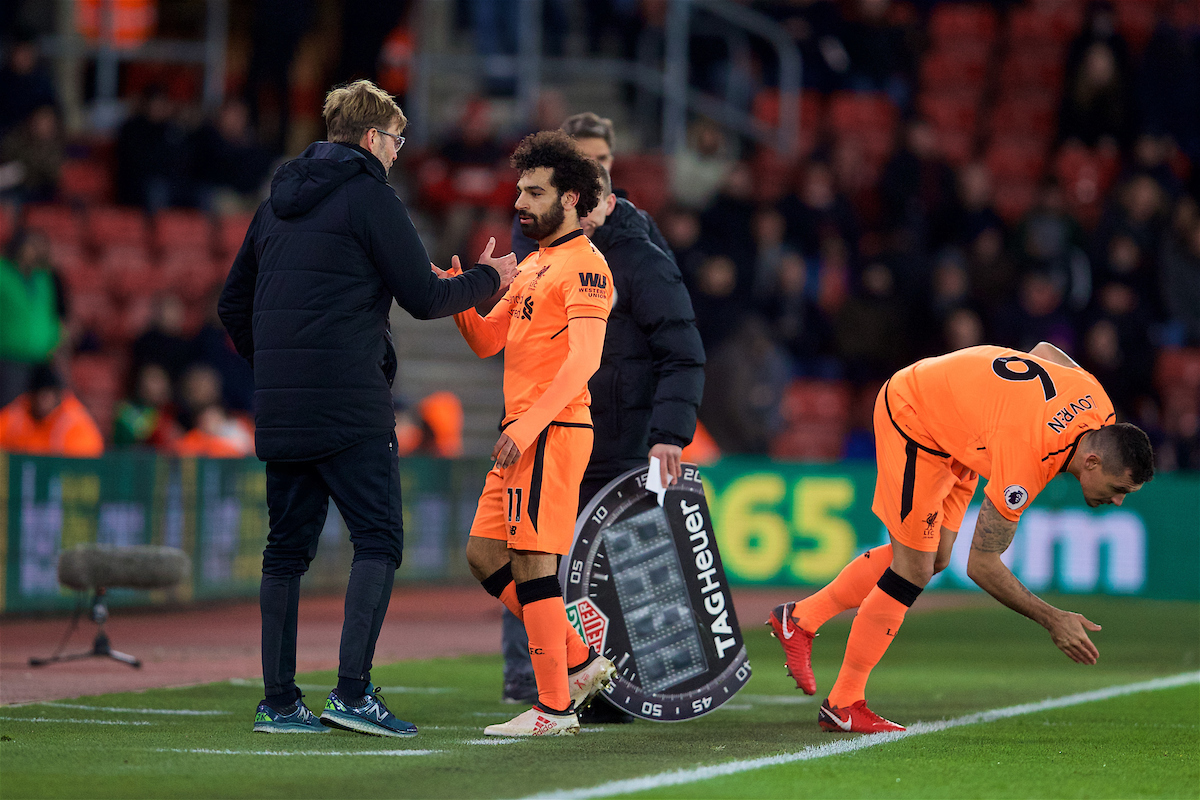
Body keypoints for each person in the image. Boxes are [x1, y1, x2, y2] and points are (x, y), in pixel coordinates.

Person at [219, 79, 519, 737]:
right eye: (396, 138)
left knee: (284, 553)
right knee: (379, 537)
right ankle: (352, 694)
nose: (398, 151)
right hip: (351, 404)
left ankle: (279, 703)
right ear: (371, 138)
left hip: (283, 407)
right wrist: (490, 280)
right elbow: (423, 297)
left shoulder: (275, 206)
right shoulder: (369, 199)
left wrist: (275, 367)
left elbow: (230, 305)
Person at [768, 342, 1154, 733]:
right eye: (1118, 487)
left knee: (935, 558)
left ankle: (801, 618)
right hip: (916, 416)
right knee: (913, 569)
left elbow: (1044, 352)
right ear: (1092, 461)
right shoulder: (1028, 458)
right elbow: (981, 564)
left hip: (964, 434)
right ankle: (844, 702)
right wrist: (1053, 619)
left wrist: (996, 401)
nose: (1119, 501)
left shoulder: (1099, 406)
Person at [501, 166, 708, 722]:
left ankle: (624, 694)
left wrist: (668, 436)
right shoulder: (553, 258)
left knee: (616, 572)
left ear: (607, 202)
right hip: (571, 435)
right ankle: (570, 679)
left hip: (622, 443)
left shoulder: (642, 262)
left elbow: (683, 352)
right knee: (556, 569)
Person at [445, 130, 616, 737]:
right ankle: (576, 658)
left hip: (551, 429)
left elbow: (584, 362)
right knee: (485, 555)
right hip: (521, 431)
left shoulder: (587, 267)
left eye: (534, 191)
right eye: (519, 189)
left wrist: (528, 426)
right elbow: (489, 339)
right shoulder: (535, 264)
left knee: (536, 565)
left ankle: (554, 709)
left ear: (570, 198)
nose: (520, 201)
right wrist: (460, 288)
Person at [0, 364, 104, 457]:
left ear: (57, 396)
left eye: (47, 396)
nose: (41, 400)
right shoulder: (18, 413)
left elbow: (87, 462)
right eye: (37, 395)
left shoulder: (73, 422)